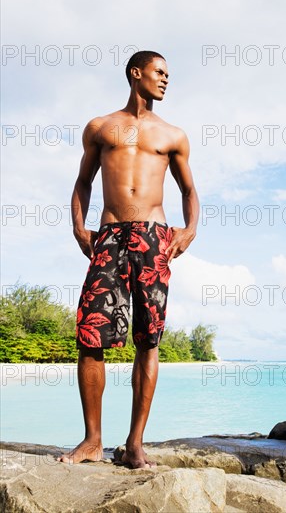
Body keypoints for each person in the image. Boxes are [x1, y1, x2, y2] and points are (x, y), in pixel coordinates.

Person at [57, 50, 199, 468]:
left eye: (169, 74)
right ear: (136, 74)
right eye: (159, 72)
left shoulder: (173, 135)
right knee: (89, 335)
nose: (166, 80)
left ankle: (135, 444)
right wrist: (79, 227)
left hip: (155, 238)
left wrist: (189, 230)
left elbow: (189, 191)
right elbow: (82, 182)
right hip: (110, 236)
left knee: (148, 339)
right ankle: (92, 441)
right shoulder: (101, 128)